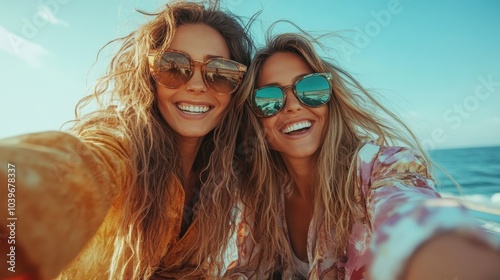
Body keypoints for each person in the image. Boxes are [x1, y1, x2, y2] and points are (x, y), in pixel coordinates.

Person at [0, 1, 253, 279]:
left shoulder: (224, 177)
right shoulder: (121, 144)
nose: (196, 84)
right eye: (173, 66)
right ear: (149, 77)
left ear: (237, 88)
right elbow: (79, 170)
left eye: (221, 72)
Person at [224, 31, 500, 279]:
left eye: (311, 89)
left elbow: (414, 217)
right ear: (256, 120)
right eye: (268, 99)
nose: (293, 106)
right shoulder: (259, 199)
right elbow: (249, 269)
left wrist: (443, 253)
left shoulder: (383, 167)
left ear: (332, 101)